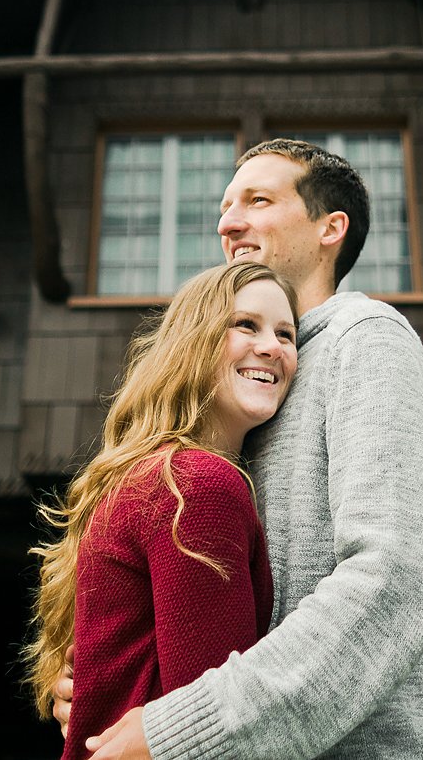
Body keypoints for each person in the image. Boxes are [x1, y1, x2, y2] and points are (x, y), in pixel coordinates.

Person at [61, 139, 423, 760]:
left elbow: (395, 576)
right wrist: (107, 681)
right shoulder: (245, 388)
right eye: (226, 207)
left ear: (331, 228)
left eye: (257, 200)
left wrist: (184, 726)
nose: (227, 222)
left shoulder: (368, 341)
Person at [25, 261, 301, 760]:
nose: (272, 347)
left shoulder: (148, 478)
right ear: (193, 342)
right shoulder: (197, 487)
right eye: (245, 325)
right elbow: (212, 733)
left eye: (286, 333)